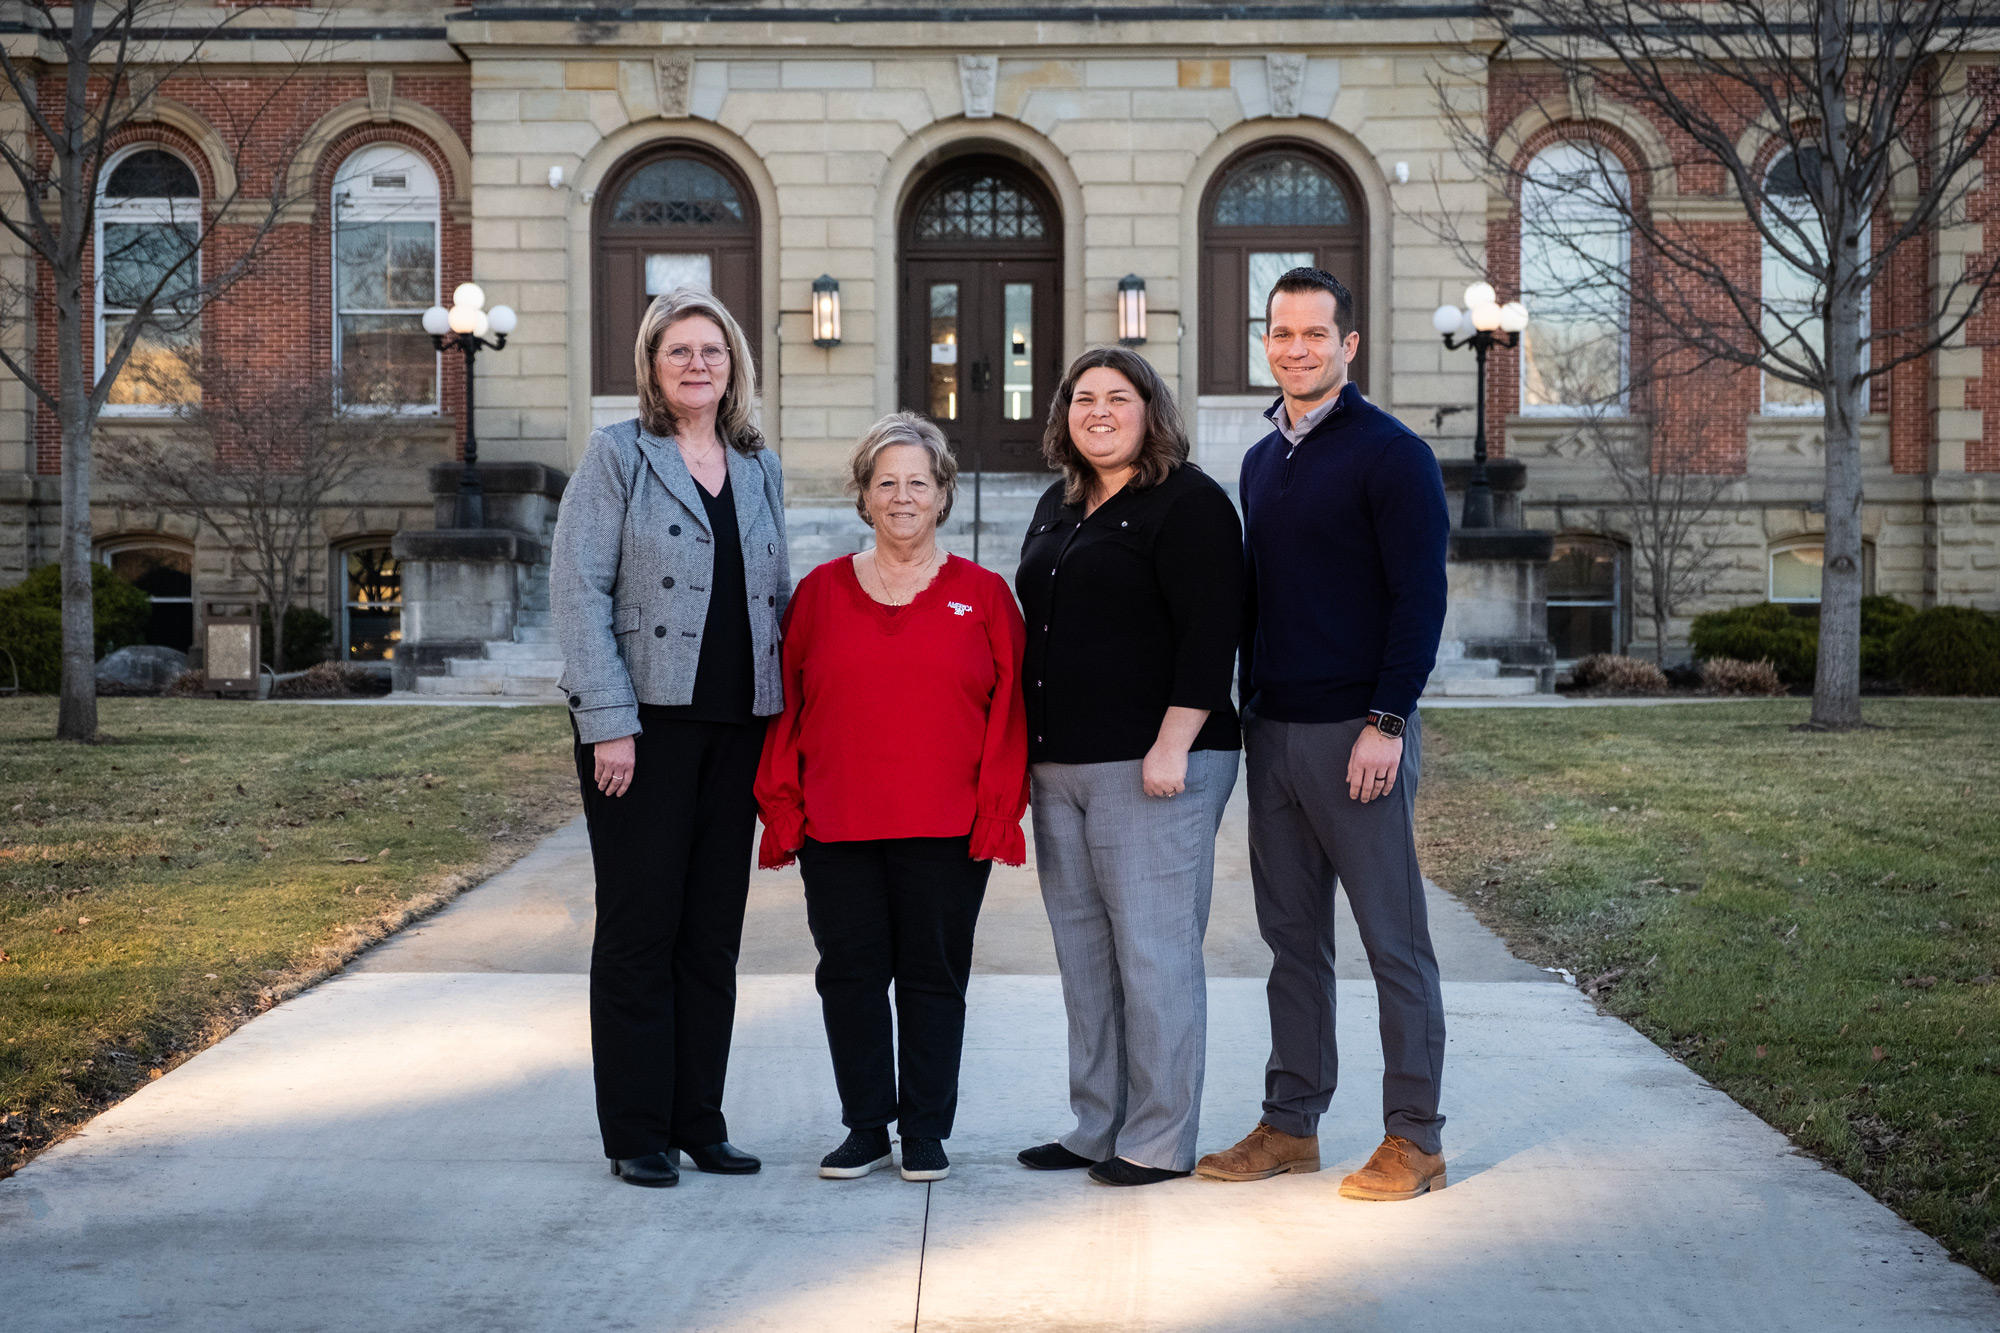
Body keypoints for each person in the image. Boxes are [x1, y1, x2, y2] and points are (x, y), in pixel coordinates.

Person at [1195, 267, 1453, 1201]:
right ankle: (1292, 1121)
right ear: (1266, 341)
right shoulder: (1265, 460)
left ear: (1349, 345)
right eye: (1281, 332)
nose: (1296, 347)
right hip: (1278, 735)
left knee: (1394, 942)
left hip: (1359, 734)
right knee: (1291, 940)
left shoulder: (1393, 455)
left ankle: (1415, 1137)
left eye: (1315, 333)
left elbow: (1420, 597)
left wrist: (1387, 721)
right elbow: (1256, 600)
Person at [549, 287, 791, 1189]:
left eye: (713, 351)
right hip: (642, 735)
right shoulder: (618, 456)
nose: (698, 364)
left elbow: (777, 595)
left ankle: (700, 1119)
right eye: (679, 350)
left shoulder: (758, 464)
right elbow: (577, 593)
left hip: (737, 728)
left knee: (710, 935)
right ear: (652, 365)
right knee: (640, 929)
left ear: (735, 366)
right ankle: (637, 1129)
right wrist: (608, 723)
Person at [755, 411, 1029, 1185]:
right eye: (886, 483)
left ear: (943, 495)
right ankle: (866, 1125)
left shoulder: (984, 597)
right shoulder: (816, 595)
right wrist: (784, 806)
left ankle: (926, 1130)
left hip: (945, 827)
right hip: (837, 823)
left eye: (918, 482)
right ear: (864, 498)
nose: (902, 497)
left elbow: (1010, 717)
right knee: (848, 973)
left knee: (933, 977)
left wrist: (995, 809)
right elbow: (787, 708)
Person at [1011, 347, 1245, 1188]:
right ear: (1063, 414)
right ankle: (1095, 1123)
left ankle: (1156, 1136)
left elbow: (1212, 631)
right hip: (1060, 764)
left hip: (1156, 764)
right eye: (1083, 398)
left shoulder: (1189, 503)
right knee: (1084, 953)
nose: (1099, 411)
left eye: (1119, 397)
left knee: (1153, 952)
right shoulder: (1058, 503)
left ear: (1151, 409)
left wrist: (1174, 741)